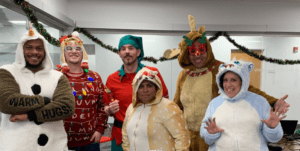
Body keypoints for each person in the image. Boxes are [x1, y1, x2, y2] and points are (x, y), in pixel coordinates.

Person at [164, 15, 290, 151]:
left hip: (215, 133)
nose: (197, 55)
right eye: (192, 51)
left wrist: (274, 102)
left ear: (207, 49)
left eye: (201, 49)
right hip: (188, 136)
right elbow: (177, 105)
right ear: (186, 54)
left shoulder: (220, 69)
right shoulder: (183, 75)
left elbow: (248, 89)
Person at [0, 23, 75, 151]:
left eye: (39, 48)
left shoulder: (58, 77)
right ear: (21, 50)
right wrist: (46, 101)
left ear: (44, 51)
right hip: (16, 146)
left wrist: (29, 115)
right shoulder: (7, 72)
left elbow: (66, 107)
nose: (34, 52)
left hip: (54, 146)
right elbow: (7, 102)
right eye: (29, 47)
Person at [200, 59, 285, 150]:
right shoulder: (214, 103)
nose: (228, 85)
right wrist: (210, 134)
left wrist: (272, 128)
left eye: (233, 80)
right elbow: (207, 138)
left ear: (243, 81)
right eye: (225, 80)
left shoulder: (260, 102)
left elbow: (274, 138)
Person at [105, 35, 169, 150]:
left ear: (138, 52)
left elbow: (165, 101)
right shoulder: (112, 79)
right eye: (123, 49)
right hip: (120, 137)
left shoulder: (152, 73)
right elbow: (105, 107)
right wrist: (109, 110)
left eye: (131, 48)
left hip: (149, 134)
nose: (127, 52)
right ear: (119, 53)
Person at [57, 31, 114, 151]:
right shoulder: (55, 77)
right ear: (64, 53)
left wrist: (100, 130)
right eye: (69, 48)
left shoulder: (95, 78)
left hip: (90, 142)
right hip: (59, 142)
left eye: (78, 48)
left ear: (83, 53)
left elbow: (102, 106)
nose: (73, 51)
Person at [122, 67, 190, 151]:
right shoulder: (131, 108)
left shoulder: (167, 106)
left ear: (156, 87)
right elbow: (125, 138)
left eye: (149, 85)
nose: (145, 90)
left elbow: (182, 137)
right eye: (141, 86)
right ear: (136, 89)